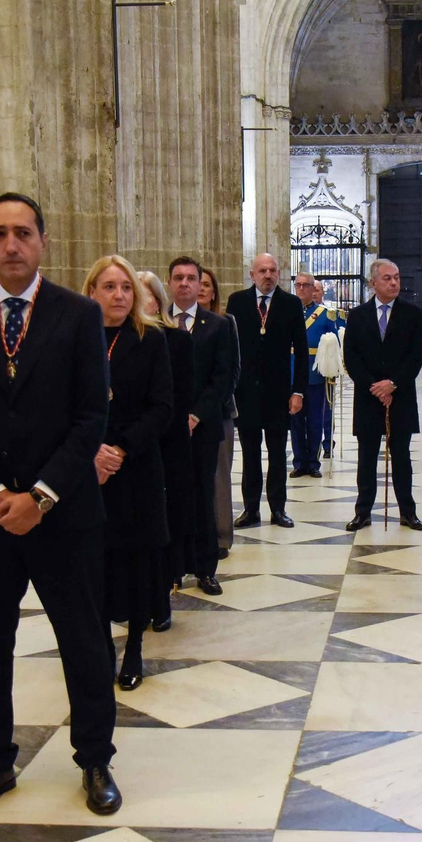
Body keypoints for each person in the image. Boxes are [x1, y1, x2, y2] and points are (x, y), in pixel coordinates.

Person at [0, 193, 120, 821]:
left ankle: (95, 757)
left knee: (83, 637)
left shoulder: (77, 315)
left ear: (43, 240)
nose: (10, 244)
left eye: (22, 232)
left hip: (64, 511)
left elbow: (91, 415)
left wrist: (40, 495)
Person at [86, 255, 173, 691]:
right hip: (87, 468)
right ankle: (99, 646)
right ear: (92, 292)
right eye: (108, 286)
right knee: (95, 561)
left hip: (135, 465)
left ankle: (135, 645)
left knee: (138, 559)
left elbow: (162, 407)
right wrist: (92, 452)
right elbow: (63, 406)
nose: (118, 294)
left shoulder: (150, 340)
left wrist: (119, 450)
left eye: (125, 287)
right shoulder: (75, 339)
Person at [168, 256, 236, 598]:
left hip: (204, 426)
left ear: (199, 285)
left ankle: (206, 568)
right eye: (178, 278)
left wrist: (196, 414)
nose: (184, 283)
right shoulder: (157, 324)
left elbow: (222, 378)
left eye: (190, 278)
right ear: (169, 284)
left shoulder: (217, 325)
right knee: (174, 496)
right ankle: (175, 568)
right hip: (167, 428)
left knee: (203, 493)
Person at [343, 258, 422, 531]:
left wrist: (392, 384)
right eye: (387, 278)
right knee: (367, 457)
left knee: (401, 456)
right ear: (373, 283)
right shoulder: (357, 316)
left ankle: (407, 511)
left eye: (397, 277)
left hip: (399, 396)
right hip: (368, 397)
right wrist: (375, 387)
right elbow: (351, 358)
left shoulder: (412, 314)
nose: (394, 283)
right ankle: (363, 511)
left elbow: (416, 357)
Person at [225, 253, 306, 528]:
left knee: (277, 454)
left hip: (278, 394)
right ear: (252, 275)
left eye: (272, 270)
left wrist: (299, 391)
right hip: (245, 394)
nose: (268, 275)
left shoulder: (291, 304)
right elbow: (229, 349)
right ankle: (250, 509)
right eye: (262, 270)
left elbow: (302, 352)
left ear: (279, 273)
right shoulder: (237, 302)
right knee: (249, 454)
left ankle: (278, 509)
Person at [137, 269, 195, 633]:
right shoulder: (116, 339)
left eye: (138, 293)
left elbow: (179, 397)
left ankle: (162, 594)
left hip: (168, 444)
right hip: (131, 448)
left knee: (164, 520)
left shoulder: (176, 340)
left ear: (157, 301)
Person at [199, 268, 238, 560]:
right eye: (193, 282)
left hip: (219, 410)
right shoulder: (171, 322)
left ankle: (221, 536)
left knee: (219, 476)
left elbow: (231, 370)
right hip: (183, 416)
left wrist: (209, 406)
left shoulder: (226, 322)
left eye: (206, 284)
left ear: (213, 292)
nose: (199, 288)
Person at [291, 272, 339, 477]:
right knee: (295, 421)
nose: (302, 289)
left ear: (314, 289)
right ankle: (299, 462)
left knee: (315, 421)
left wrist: (331, 368)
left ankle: (313, 462)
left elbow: (334, 344)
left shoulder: (324, 314)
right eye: (298, 285)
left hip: (316, 373)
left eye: (306, 285)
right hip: (292, 373)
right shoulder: (288, 312)